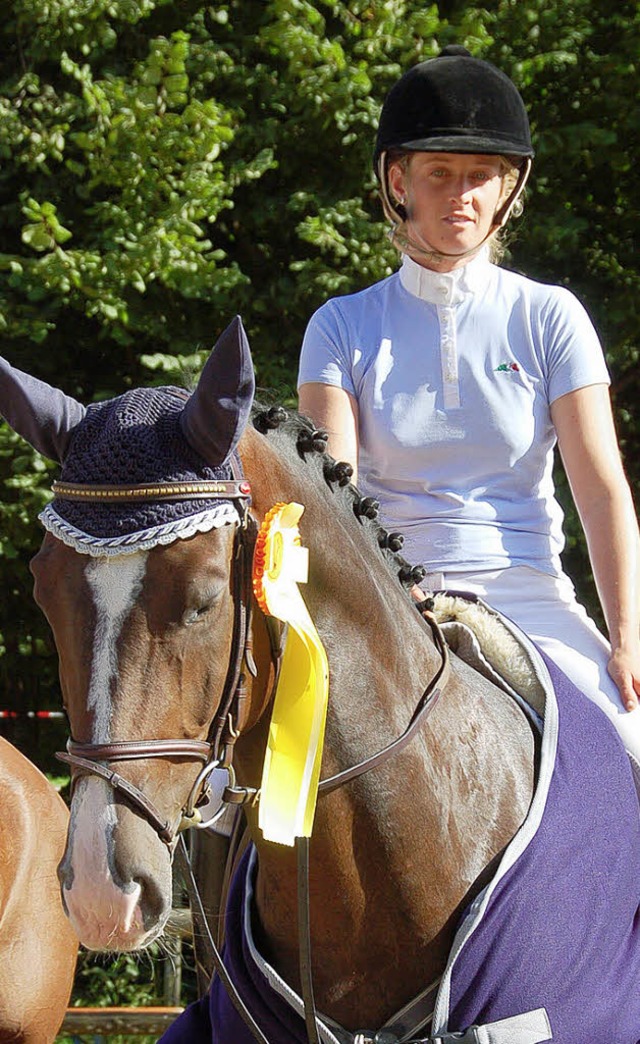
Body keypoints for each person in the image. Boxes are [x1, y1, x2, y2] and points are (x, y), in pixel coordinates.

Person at [297, 44, 640, 772]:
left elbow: (602, 488)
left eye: (481, 176)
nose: (462, 194)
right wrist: (388, 596)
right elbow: (335, 493)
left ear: (507, 189)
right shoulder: (341, 325)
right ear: (399, 182)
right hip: (392, 599)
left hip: (531, 599)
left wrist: (627, 638)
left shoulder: (551, 316)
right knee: (272, 768)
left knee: (634, 752)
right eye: (439, 173)